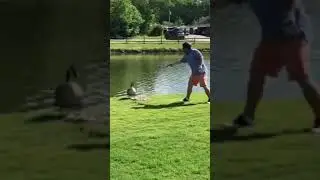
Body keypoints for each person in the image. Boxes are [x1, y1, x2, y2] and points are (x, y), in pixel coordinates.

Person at [216, 0, 320, 132]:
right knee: (256, 75)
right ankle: (248, 117)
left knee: (301, 76)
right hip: (270, 39)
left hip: (292, 36)